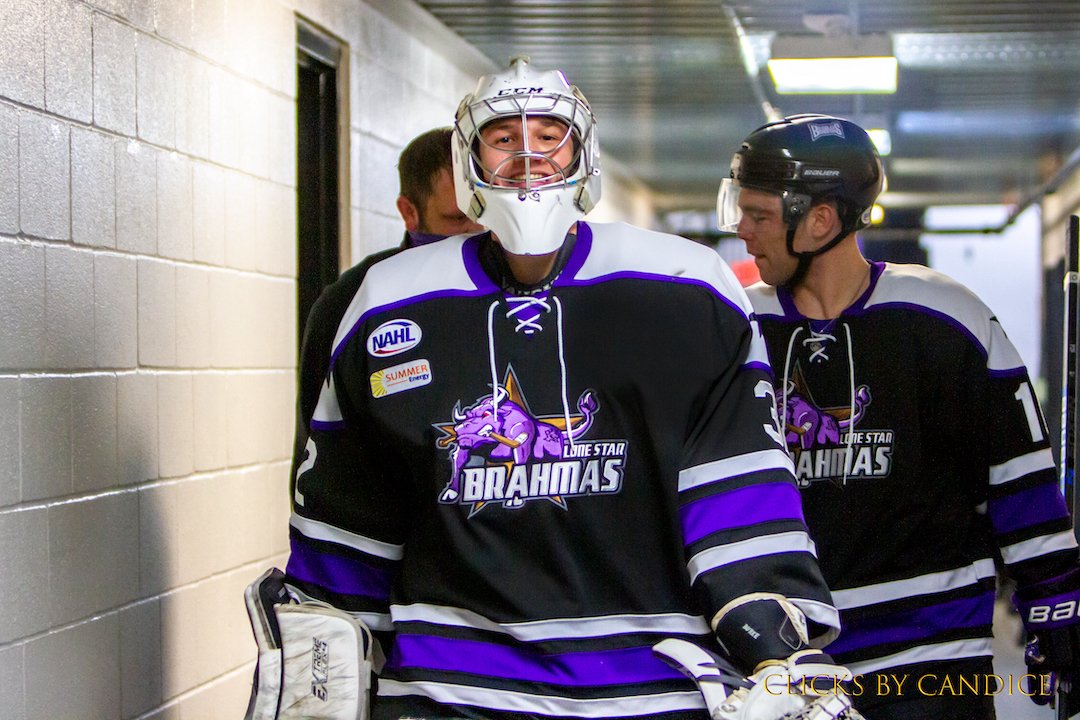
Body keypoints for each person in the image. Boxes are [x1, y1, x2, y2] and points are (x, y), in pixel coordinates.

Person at [268, 57, 854, 720]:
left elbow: (737, 492)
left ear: (583, 151)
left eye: (549, 136)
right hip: (448, 695)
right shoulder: (384, 303)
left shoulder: (689, 291)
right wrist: (312, 693)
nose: (527, 155)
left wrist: (781, 654)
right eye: (502, 137)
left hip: (649, 694)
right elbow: (348, 530)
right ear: (471, 160)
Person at [721, 112, 1080, 719]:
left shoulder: (946, 318)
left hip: (930, 662)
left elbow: (1020, 485)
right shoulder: (733, 328)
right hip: (786, 667)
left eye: (758, 216)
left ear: (820, 221)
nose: (743, 231)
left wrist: (1059, 608)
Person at [291, 127, 483, 498]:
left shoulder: (526, 288)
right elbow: (316, 447)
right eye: (457, 220)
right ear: (409, 213)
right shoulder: (355, 301)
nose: (476, 234)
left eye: (484, 213)